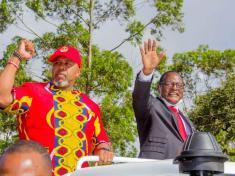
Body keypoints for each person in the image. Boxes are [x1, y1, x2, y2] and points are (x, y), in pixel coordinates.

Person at [0, 39, 113, 175]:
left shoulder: (90, 106)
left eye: (67, 64)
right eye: (57, 63)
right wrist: (17, 56)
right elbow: (2, 97)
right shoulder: (33, 92)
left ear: (78, 71)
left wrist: (104, 150)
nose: (61, 67)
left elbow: (101, 141)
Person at [132, 39, 196, 159]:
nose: (174, 88)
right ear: (159, 88)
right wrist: (147, 72)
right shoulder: (151, 106)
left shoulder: (188, 123)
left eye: (179, 85)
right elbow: (140, 96)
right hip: (156, 169)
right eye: (169, 84)